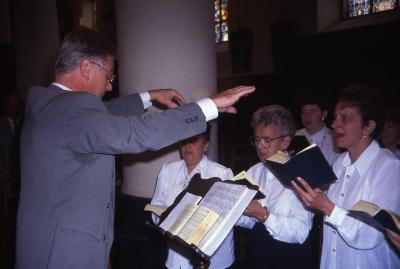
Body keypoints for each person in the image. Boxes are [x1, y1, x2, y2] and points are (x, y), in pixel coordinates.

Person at [15, 26, 255, 269]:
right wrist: (208, 106)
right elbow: (138, 134)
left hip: (44, 241)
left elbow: (103, 115)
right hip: (65, 254)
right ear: (87, 67)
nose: (109, 86)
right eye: (109, 76)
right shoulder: (72, 112)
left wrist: (149, 96)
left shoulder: (48, 106)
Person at [292, 84, 400, 269]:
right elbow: (331, 233)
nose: (334, 125)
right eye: (336, 117)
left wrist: (326, 206)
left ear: (368, 127)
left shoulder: (389, 168)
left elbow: (369, 235)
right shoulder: (340, 163)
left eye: (345, 118)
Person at [236, 105, 313, 269]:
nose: (260, 146)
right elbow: (250, 222)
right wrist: (233, 213)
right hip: (257, 256)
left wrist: (264, 215)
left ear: (285, 141)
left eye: (267, 140)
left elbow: (300, 232)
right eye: (257, 139)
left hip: (289, 258)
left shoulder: (302, 175)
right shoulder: (254, 172)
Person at [151, 125, 235, 269]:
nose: (188, 145)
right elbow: (156, 206)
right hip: (177, 257)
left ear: (206, 145)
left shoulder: (222, 173)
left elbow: (229, 219)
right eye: (184, 140)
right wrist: (165, 218)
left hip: (213, 259)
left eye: (194, 140)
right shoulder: (168, 170)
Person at [296, 96, 340, 166]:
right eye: (303, 112)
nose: (307, 116)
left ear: (324, 114)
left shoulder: (335, 138)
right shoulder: (294, 136)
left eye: (312, 111)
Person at [0, 94, 24, 198]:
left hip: (23, 173)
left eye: (16, 105)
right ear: (6, 106)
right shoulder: (1, 125)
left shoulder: (26, 123)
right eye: (11, 105)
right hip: (6, 172)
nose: (13, 108)